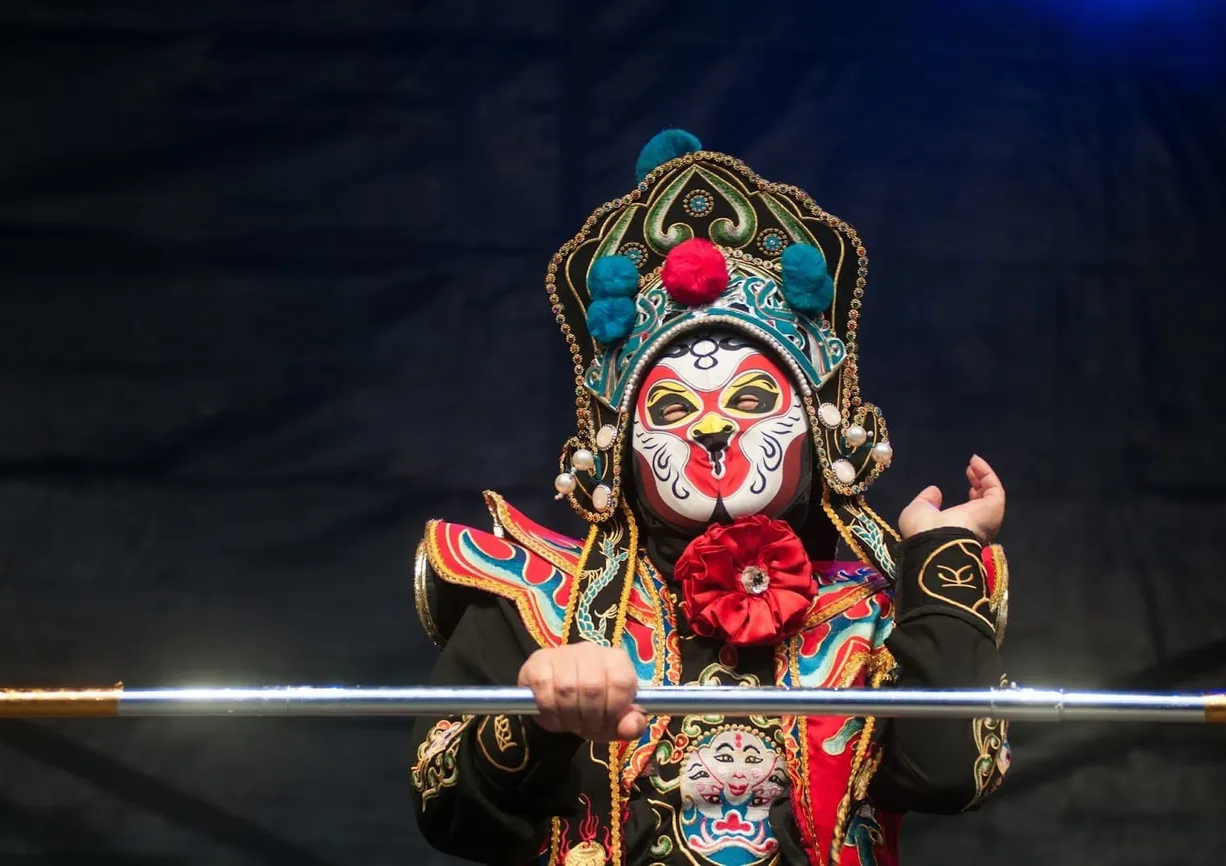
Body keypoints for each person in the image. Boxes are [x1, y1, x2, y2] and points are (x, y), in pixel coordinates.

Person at [409, 130, 1011, 866]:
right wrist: (538, 713)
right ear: (621, 445)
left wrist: (937, 554)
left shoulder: (878, 609)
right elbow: (446, 811)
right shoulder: (533, 600)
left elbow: (955, 773)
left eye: (751, 397)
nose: (715, 427)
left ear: (817, 432)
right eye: (671, 409)